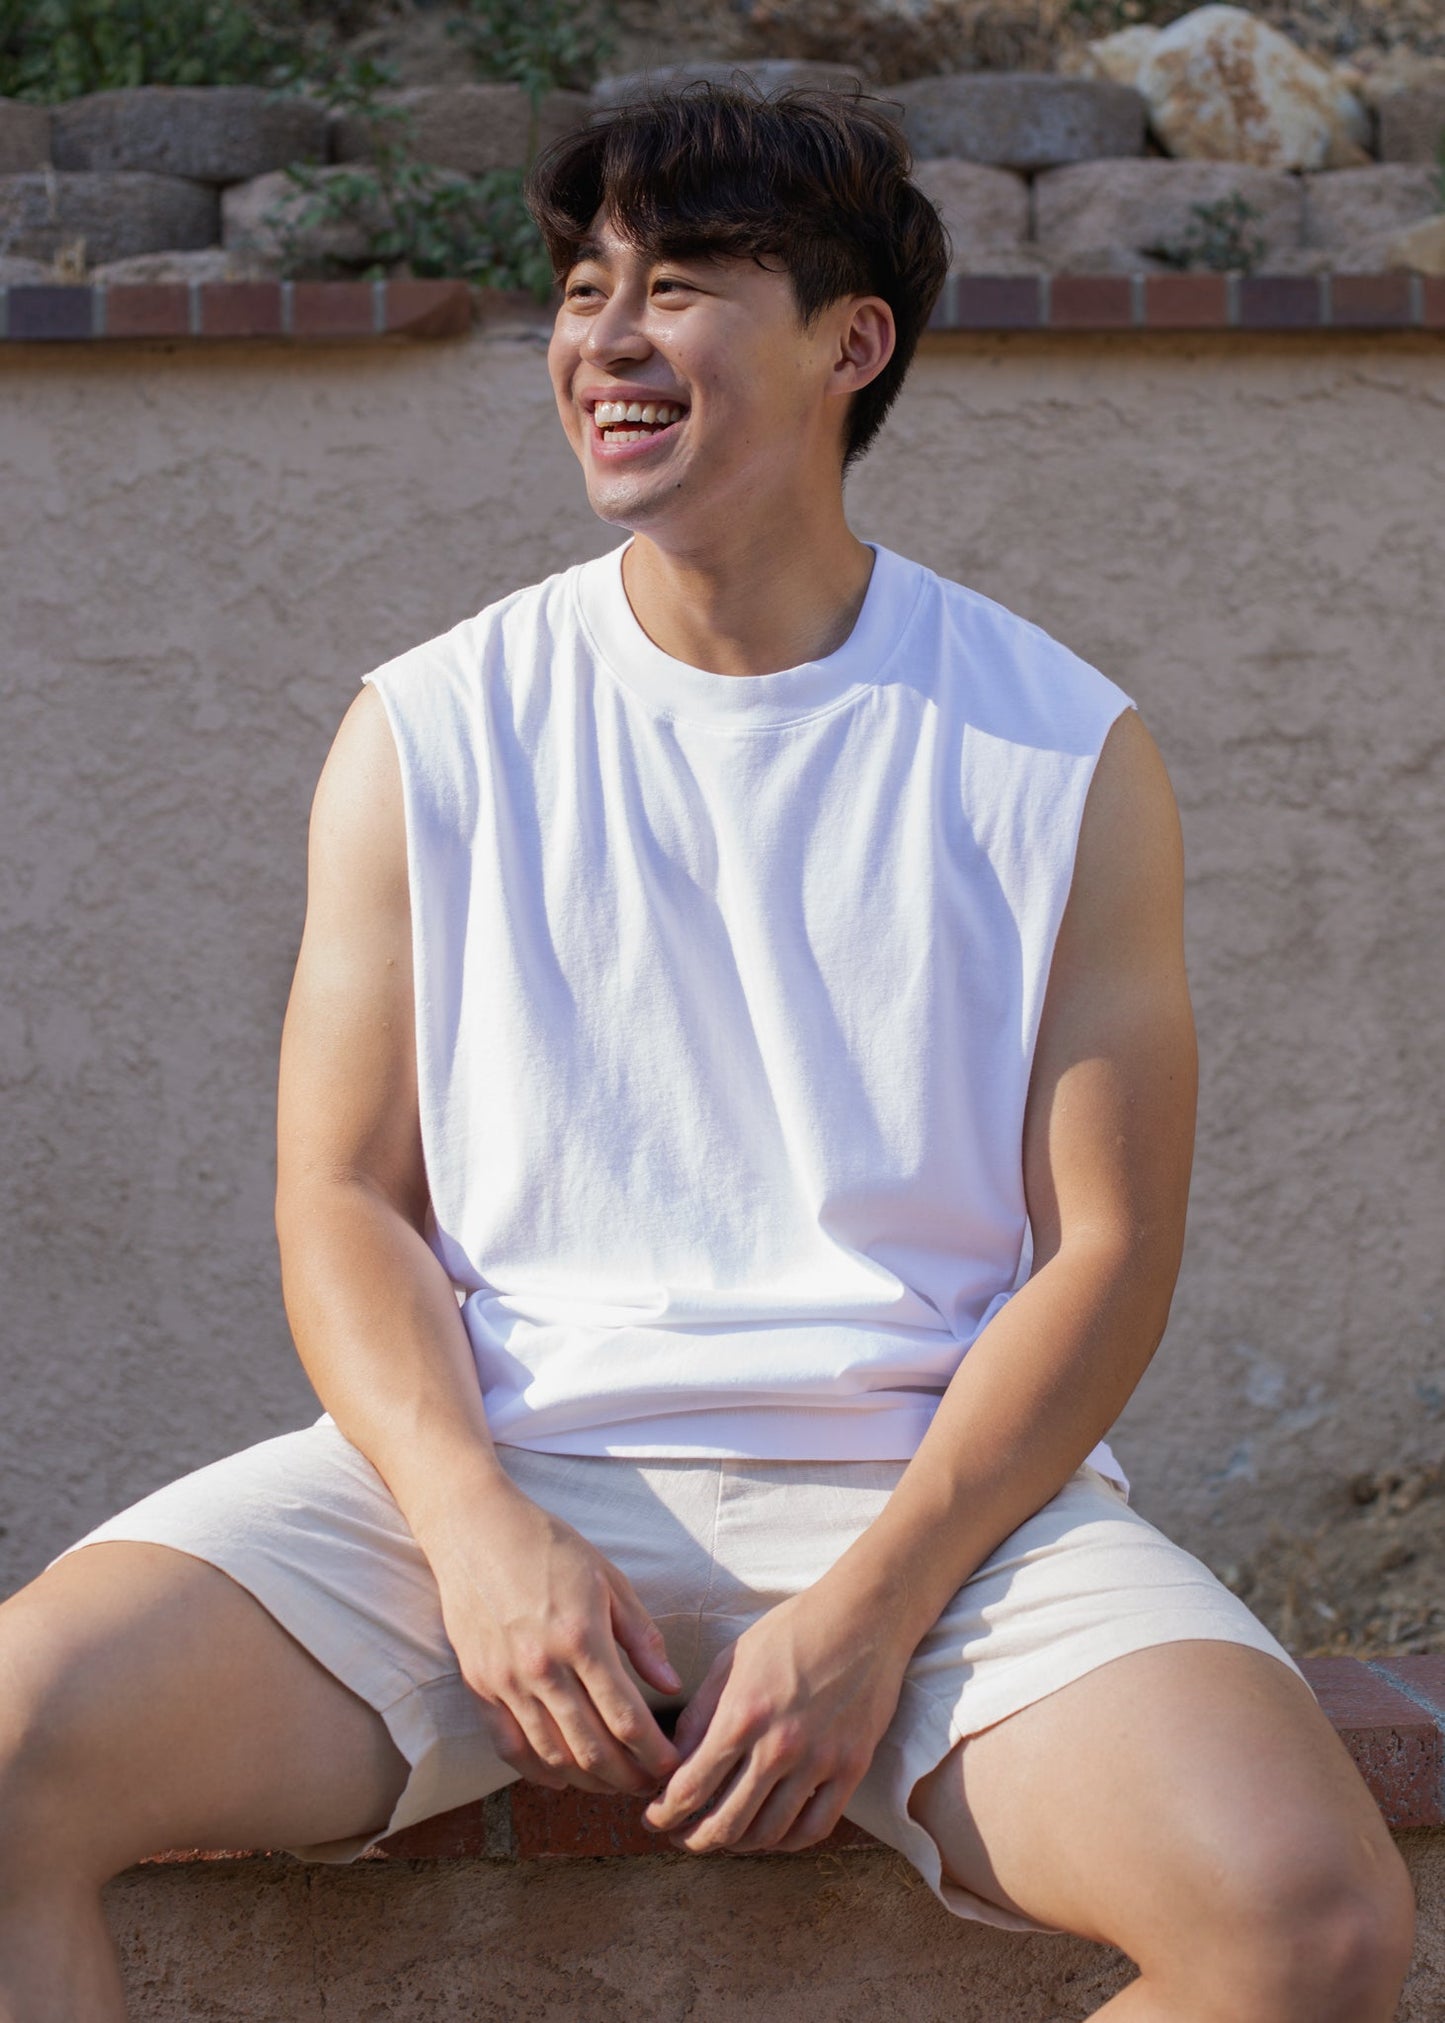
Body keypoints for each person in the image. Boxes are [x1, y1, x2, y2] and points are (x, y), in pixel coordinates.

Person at [0, 84, 1414, 2022]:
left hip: (932, 1503)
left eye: (678, 287)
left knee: (1315, 1924)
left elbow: (1105, 1255)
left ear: (853, 344)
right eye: (584, 289)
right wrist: (481, 1530)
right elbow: (341, 1198)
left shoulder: (1063, 753)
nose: (603, 338)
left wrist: (880, 1604)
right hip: (485, 1473)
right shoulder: (431, 729)